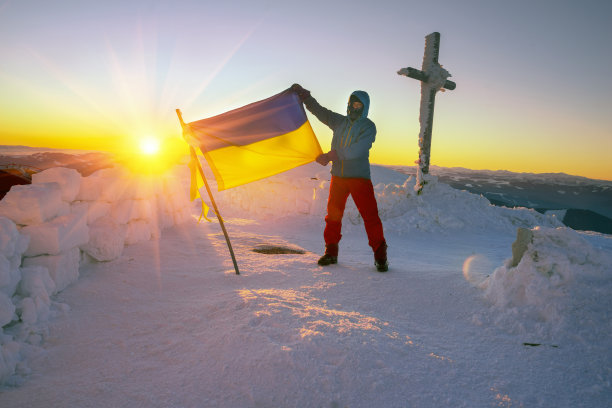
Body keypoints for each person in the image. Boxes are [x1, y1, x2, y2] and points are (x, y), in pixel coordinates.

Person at [290, 83, 388, 272]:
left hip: (359, 179)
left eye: (358, 105)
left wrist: (331, 155)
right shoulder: (339, 122)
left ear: (365, 107)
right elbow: (321, 112)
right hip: (339, 178)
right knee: (333, 217)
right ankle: (331, 252)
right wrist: (306, 97)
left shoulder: (368, 126)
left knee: (371, 217)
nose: (353, 107)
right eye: (351, 103)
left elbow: (358, 149)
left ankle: (380, 256)